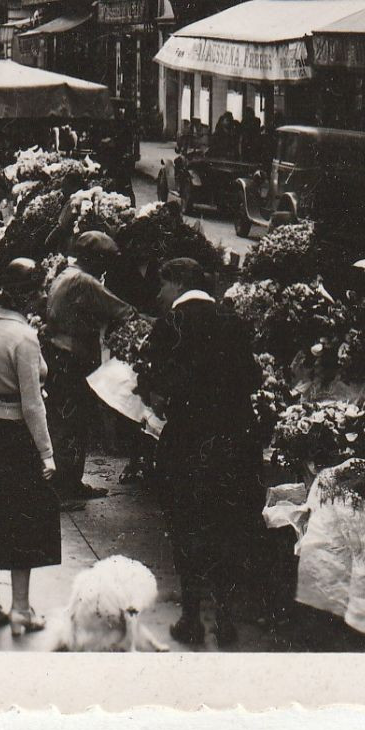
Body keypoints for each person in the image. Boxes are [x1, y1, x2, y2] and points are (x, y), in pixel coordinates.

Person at [140, 257, 264, 647]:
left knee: (187, 528)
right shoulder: (233, 320)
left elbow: (158, 387)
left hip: (189, 443)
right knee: (229, 526)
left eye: (162, 285)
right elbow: (253, 377)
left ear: (176, 283)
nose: (159, 294)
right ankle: (226, 619)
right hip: (234, 442)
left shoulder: (169, 325)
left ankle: (191, 618)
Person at [0, 257, 58, 636]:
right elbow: (32, 402)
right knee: (24, 523)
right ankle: (21, 608)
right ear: (27, 295)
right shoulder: (24, 338)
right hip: (16, 436)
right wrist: (47, 452)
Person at [42, 230, 134, 504]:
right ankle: (64, 486)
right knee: (72, 423)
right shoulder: (83, 281)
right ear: (92, 259)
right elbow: (122, 310)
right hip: (72, 358)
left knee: (65, 421)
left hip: (59, 357)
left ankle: (68, 481)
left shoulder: (66, 274)